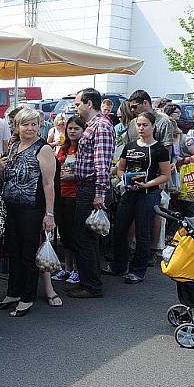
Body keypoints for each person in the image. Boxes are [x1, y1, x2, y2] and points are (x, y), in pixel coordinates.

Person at [0, 107, 56, 316]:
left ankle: (27, 297)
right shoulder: (14, 146)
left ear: (39, 126)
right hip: (12, 206)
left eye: (34, 124)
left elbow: (48, 184)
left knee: (28, 254)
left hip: (32, 209)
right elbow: (4, 174)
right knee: (13, 252)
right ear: (17, 126)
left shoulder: (43, 149)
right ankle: (13, 292)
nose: (30, 128)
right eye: (25, 124)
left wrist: (49, 214)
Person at [105, 112, 171, 284]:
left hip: (149, 195)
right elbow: (120, 169)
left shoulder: (160, 149)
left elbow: (165, 175)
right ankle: (119, 265)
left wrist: (147, 184)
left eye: (145, 125)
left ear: (153, 126)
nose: (141, 128)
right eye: (139, 125)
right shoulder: (130, 146)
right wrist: (125, 179)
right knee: (119, 230)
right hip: (129, 192)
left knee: (142, 233)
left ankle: (137, 270)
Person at [66, 88, 116, 299]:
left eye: (78, 103)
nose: (76, 107)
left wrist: (99, 194)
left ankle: (91, 285)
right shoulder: (94, 125)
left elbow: (102, 164)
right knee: (85, 237)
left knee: (85, 238)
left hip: (92, 187)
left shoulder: (101, 126)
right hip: (86, 186)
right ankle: (88, 281)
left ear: (88, 103)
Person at [52, 114, 86, 285]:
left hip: (76, 196)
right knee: (64, 235)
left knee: (76, 235)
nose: (72, 131)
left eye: (76, 128)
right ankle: (68, 267)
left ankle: (79, 270)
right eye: (70, 128)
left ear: (83, 130)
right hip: (61, 195)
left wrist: (72, 176)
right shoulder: (62, 149)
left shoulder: (85, 149)